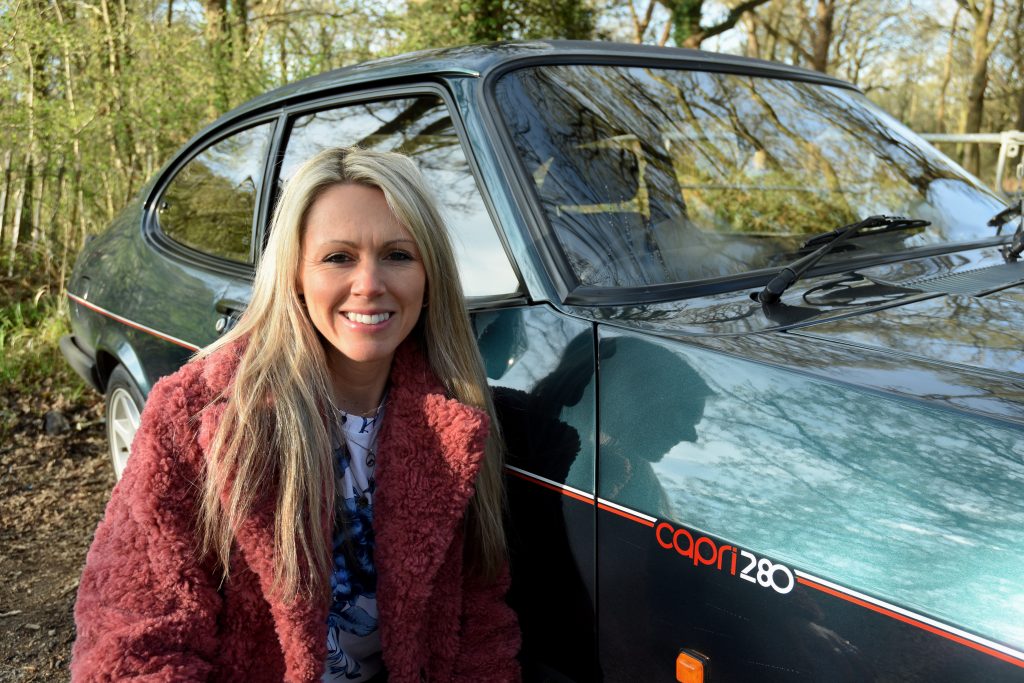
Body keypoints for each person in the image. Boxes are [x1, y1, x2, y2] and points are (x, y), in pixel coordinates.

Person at [71, 147, 521, 682]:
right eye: (338, 257)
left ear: (430, 277)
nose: (370, 283)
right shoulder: (196, 417)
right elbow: (131, 643)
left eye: (398, 255)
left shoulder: (455, 421)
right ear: (295, 277)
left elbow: (478, 626)